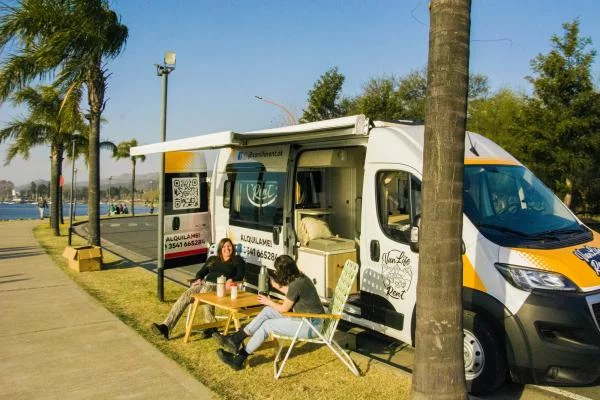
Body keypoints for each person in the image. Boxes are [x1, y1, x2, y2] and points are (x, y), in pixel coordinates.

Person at [214, 255, 324, 371]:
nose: (277, 273)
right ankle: (236, 338)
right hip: (307, 320)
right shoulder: (301, 279)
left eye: (278, 270)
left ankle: (239, 358)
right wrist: (275, 285)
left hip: (311, 326)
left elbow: (284, 309)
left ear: (284, 271)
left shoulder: (297, 284)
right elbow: (291, 292)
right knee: (267, 311)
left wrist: (268, 301)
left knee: (267, 325)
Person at [152, 238, 245, 340]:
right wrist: (198, 279)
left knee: (206, 291)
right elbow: (201, 272)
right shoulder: (213, 259)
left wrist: (231, 280)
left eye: (229, 246)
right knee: (186, 295)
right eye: (224, 246)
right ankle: (166, 326)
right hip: (205, 284)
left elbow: (240, 275)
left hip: (220, 287)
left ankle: (210, 326)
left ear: (233, 248)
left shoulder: (237, 260)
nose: (226, 248)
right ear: (220, 249)